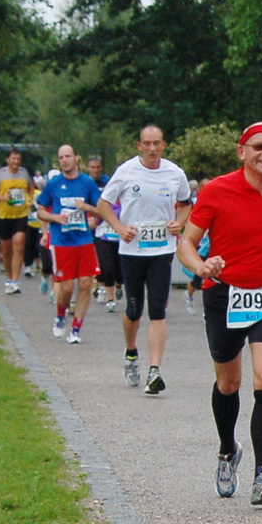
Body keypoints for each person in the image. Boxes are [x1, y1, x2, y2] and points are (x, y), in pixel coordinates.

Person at [175, 122, 262, 504]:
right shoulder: (217, 191)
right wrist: (201, 267)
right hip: (223, 294)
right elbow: (187, 243)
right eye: (259, 147)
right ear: (242, 152)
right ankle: (227, 449)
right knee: (228, 384)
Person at [94, 126, 193, 393]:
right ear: (139, 145)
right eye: (147, 144)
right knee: (134, 310)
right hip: (132, 251)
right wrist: (119, 227)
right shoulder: (126, 171)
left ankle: (154, 370)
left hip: (161, 250)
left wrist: (179, 223)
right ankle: (130, 353)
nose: (152, 149)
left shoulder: (175, 173)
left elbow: (186, 204)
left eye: (156, 143)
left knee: (157, 311)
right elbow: (104, 204)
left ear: (163, 145)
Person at [36, 145, 104, 344]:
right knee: (66, 288)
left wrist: (87, 209)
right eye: (61, 157)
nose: (65, 160)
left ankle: (76, 329)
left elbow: (102, 211)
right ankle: (60, 316)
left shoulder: (87, 183)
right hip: (62, 241)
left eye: (68, 156)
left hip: (83, 240)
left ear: (76, 158)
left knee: (85, 284)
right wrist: (55, 217)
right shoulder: (54, 184)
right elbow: (40, 210)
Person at [0, 149, 31, 294]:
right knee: (6, 249)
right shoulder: (0, 174)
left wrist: (29, 200)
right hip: (3, 216)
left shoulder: (24, 173)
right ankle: (9, 277)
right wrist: (2, 198)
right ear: (8, 160)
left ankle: (15, 281)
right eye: (13, 159)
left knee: (19, 244)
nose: (16, 162)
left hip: (20, 214)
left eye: (18, 159)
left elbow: (30, 187)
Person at [84, 154, 124, 313]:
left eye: (97, 167)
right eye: (92, 168)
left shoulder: (109, 182)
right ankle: (107, 294)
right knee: (104, 262)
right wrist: (90, 218)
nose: (95, 170)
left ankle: (119, 283)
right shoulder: (85, 183)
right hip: (97, 229)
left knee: (118, 265)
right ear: (88, 168)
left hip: (115, 227)